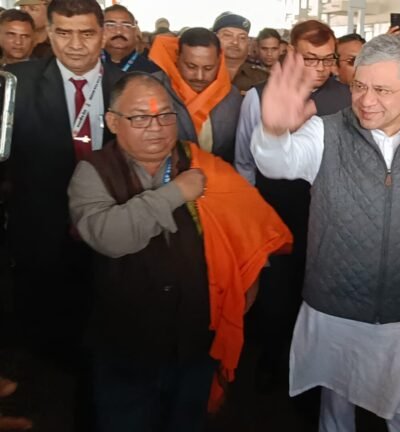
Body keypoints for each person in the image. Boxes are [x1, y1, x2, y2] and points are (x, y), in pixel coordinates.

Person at [251, 33, 400, 432]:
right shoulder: (326, 132)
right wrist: (273, 131)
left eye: (382, 90)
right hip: (337, 303)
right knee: (337, 403)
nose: (367, 100)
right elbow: (277, 163)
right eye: (359, 86)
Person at [68, 72, 291, 432]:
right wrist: (176, 194)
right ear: (112, 121)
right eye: (140, 117)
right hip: (127, 343)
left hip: (195, 338)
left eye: (165, 115)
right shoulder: (94, 172)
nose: (156, 127)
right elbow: (109, 235)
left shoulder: (201, 164)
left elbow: (251, 227)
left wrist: (246, 284)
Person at [3, 0, 123, 365]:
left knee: (104, 310)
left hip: (109, 223)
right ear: (49, 34)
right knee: (41, 315)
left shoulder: (129, 83)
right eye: (64, 33)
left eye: (86, 33)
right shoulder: (15, 82)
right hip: (39, 224)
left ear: (103, 34)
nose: (75, 45)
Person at [234, 18, 351, 392]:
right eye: (310, 58)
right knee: (277, 298)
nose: (320, 68)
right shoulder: (259, 96)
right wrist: (253, 220)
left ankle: (318, 375)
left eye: (328, 59)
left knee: (320, 299)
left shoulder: (349, 99)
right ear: (290, 53)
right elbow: (244, 163)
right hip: (275, 214)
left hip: (331, 221)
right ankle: (275, 366)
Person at [149, 27, 241, 163]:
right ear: (177, 57)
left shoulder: (231, 97)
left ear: (219, 61)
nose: (199, 76)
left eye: (208, 68)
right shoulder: (151, 89)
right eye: (191, 67)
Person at [213, 12, 264, 94]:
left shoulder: (262, 77)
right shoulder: (202, 71)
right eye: (228, 35)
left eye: (242, 38)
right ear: (215, 38)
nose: (235, 42)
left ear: (248, 42)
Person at [101, 4, 160, 73]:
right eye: (110, 25)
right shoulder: (90, 66)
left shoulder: (153, 73)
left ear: (135, 31)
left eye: (126, 26)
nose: (119, 31)